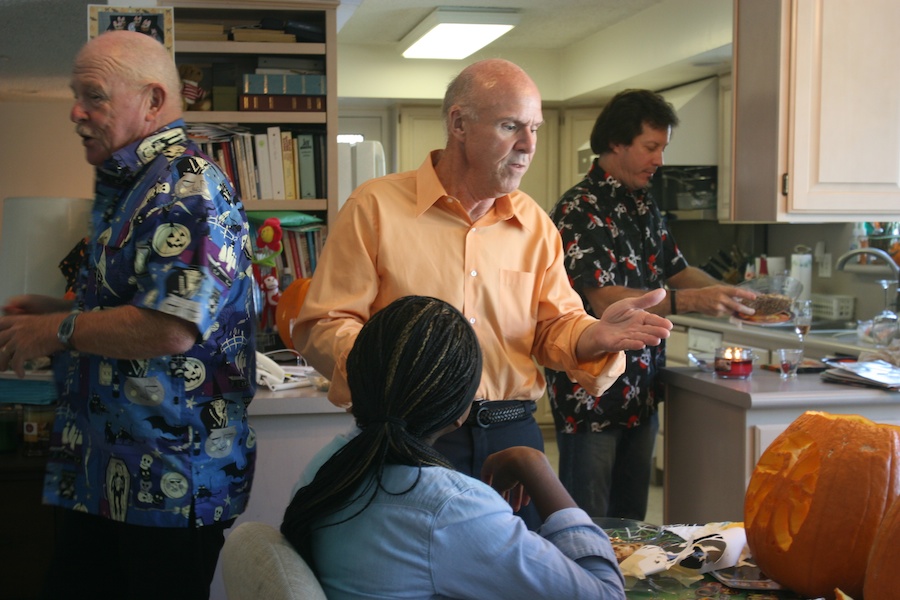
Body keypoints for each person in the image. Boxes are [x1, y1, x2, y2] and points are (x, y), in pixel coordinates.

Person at [291, 58, 672, 528]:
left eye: (534, 128)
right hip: (413, 433)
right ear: (459, 124)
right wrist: (396, 375)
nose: (528, 145)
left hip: (514, 438)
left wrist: (595, 336)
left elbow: (553, 325)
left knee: (521, 583)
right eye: (511, 126)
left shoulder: (534, 223)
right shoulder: (375, 207)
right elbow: (324, 324)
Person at [0, 30, 256, 599]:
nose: (75, 111)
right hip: (105, 474)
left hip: (167, 488)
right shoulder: (133, 186)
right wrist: (50, 314)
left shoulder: (189, 187)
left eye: (93, 96)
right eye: (76, 94)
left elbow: (169, 328)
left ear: (153, 102)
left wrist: (55, 330)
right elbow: (135, 307)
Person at [282, 295, 627, 599]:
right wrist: (535, 467)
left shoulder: (328, 464)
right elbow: (605, 594)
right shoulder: (449, 510)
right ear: (461, 410)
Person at [545, 89, 757, 520]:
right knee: (588, 523)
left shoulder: (643, 204)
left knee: (632, 524)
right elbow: (603, 297)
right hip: (593, 394)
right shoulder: (579, 210)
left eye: (663, 148)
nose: (659, 160)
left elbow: (677, 269)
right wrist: (694, 300)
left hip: (641, 390)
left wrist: (729, 294)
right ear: (617, 143)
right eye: (651, 147)